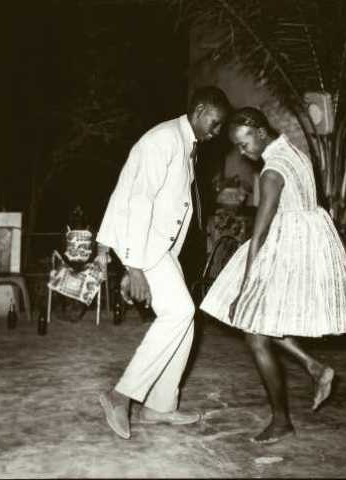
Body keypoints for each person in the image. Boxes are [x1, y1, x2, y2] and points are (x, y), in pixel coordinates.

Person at [200, 107, 346, 444]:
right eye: (239, 148)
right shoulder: (294, 151)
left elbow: (258, 235)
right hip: (308, 243)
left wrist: (244, 289)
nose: (244, 153)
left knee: (254, 332)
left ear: (260, 131)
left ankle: (281, 419)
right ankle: (315, 368)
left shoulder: (272, 171)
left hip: (286, 250)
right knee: (261, 324)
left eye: (245, 144)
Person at [95, 86, 231, 439]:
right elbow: (136, 200)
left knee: (185, 320)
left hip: (159, 247)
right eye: (214, 124)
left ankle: (160, 406)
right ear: (200, 111)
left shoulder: (183, 143)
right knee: (181, 313)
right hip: (146, 246)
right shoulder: (165, 140)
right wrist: (133, 266)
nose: (216, 133)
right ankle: (119, 395)